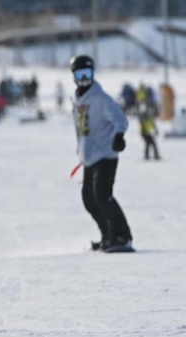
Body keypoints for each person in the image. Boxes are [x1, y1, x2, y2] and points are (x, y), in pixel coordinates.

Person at [70, 55, 133, 253]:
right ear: (73, 76)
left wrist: (119, 136)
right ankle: (108, 236)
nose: (84, 79)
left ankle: (122, 237)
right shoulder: (76, 99)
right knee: (89, 199)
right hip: (88, 156)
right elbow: (81, 127)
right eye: (80, 74)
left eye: (87, 74)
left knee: (102, 195)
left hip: (106, 154)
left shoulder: (101, 98)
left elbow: (120, 119)